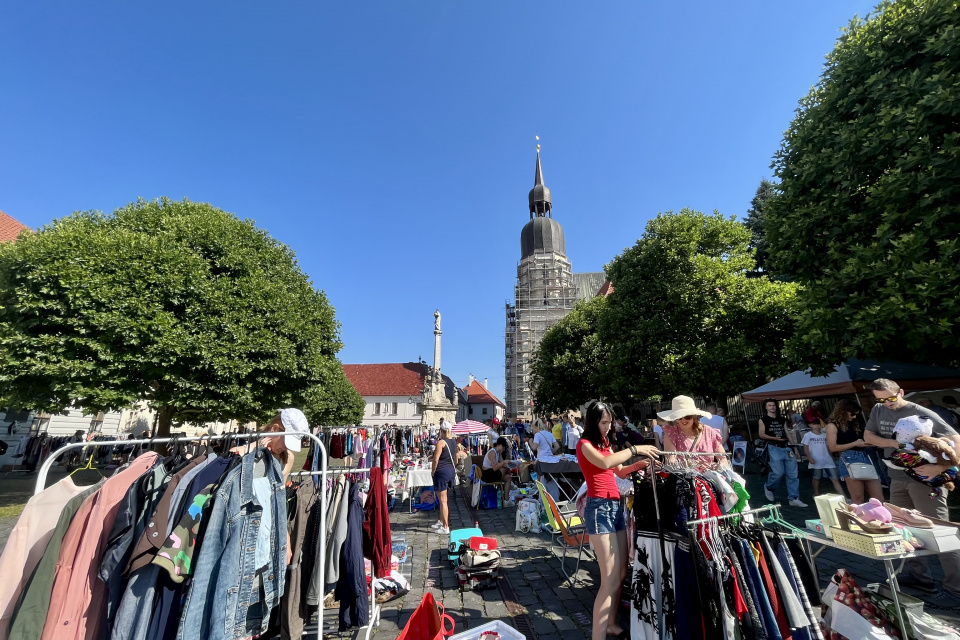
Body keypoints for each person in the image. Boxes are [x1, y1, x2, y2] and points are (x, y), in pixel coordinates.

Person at [863, 378, 960, 607]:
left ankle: (956, 589)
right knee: (902, 527)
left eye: (890, 398)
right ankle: (921, 578)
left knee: (940, 531)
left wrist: (940, 467)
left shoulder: (920, 412)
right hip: (896, 477)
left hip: (925, 480)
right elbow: (868, 437)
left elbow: (955, 439)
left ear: (902, 392)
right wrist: (895, 444)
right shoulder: (879, 409)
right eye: (880, 399)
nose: (886, 403)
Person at [576, 400, 659, 640]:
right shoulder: (584, 445)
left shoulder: (605, 444)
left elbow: (619, 470)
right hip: (599, 509)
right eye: (603, 422)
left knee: (622, 572)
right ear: (592, 422)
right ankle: (598, 636)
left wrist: (642, 464)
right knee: (609, 578)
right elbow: (604, 464)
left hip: (615, 507)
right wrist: (636, 449)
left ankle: (611, 624)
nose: (608, 426)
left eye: (610, 422)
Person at [825, 399, 878, 502]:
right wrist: (855, 443)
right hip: (848, 458)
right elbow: (832, 447)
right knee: (858, 497)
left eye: (856, 414)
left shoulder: (855, 423)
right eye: (852, 414)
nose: (854, 417)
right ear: (843, 411)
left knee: (878, 497)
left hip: (864, 456)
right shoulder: (832, 426)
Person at [758, 398, 807, 507]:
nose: (772, 407)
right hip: (773, 447)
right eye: (769, 405)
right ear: (766, 407)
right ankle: (769, 486)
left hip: (786, 447)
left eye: (773, 405)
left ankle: (794, 498)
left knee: (793, 474)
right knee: (778, 472)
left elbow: (788, 433)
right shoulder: (763, 419)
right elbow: (761, 434)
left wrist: (794, 447)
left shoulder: (782, 419)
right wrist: (775, 439)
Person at [657, 395, 726, 470]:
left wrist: (717, 466)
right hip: (686, 480)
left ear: (694, 416)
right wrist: (690, 464)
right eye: (679, 417)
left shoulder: (710, 432)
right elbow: (670, 463)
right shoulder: (671, 434)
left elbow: (723, 459)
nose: (683, 420)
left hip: (710, 479)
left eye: (687, 416)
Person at [430, 423, 466, 534]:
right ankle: (441, 521)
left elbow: (435, 460)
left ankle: (445, 526)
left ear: (442, 430)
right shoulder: (454, 442)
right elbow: (456, 459)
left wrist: (433, 471)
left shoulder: (441, 442)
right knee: (444, 500)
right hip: (449, 471)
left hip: (441, 472)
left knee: (443, 501)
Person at [802, 417, 844, 497]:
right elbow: (805, 448)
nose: (817, 426)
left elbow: (828, 447)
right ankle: (816, 493)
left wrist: (832, 456)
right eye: (814, 424)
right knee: (816, 478)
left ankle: (843, 496)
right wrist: (810, 458)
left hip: (827, 459)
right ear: (810, 425)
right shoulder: (808, 435)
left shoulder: (825, 435)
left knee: (835, 478)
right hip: (816, 460)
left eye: (818, 424)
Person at [481, 436, 516, 507]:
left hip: (492, 473)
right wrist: (504, 464)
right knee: (504, 468)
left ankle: (506, 500)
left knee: (508, 477)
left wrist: (510, 464)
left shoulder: (498, 453)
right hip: (487, 475)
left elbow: (501, 462)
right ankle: (511, 485)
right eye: (503, 446)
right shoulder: (492, 453)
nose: (504, 448)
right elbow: (495, 468)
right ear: (499, 445)